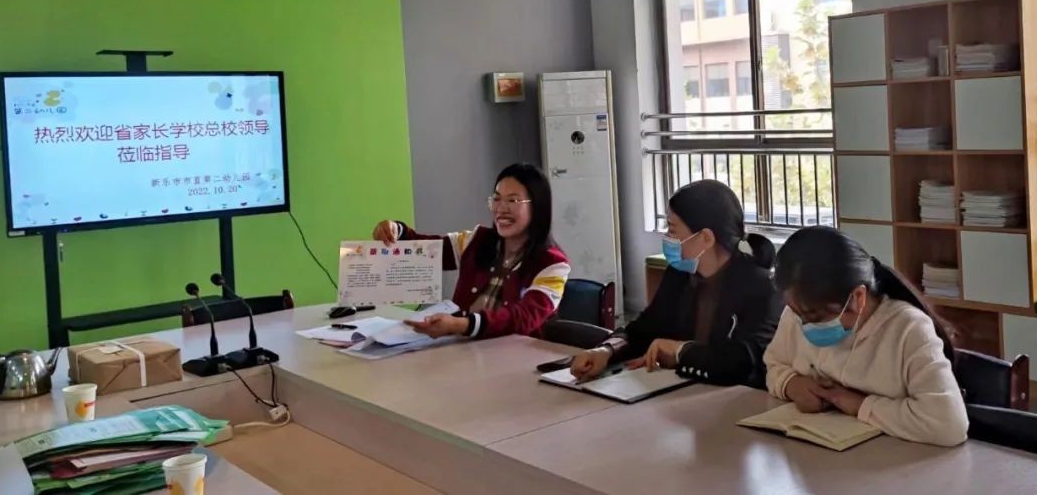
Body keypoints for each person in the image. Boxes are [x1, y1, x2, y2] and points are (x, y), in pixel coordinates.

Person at [764, 226, 968, 447]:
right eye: (798, 314)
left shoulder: (908, 329)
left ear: (857, 297)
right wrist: (791, 384)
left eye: (815, 316)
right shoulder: (799, 311)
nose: (804, 325)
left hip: (892, 460)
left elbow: (948, 425)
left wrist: (858, 404)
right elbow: (774, 364)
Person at [570, 180, 781, 388]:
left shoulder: (762, 287)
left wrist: (680, 351)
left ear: (705, 238)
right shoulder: (679, 275)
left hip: (735, 399)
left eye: (672, 230)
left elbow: (744, 361)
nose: (666, 237)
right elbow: (644, 329)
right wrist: (607, 350)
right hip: (678, 392)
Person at [371, 163, 569, 340]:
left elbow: (523, 318)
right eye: (496, 199)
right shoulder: (477, 240)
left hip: (519, 359)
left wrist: (460, 325)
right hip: (464, 351)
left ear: (538, 206)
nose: (501, 209)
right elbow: (428, 252)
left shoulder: (553, 264)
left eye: (513, 200)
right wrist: (397, 231)